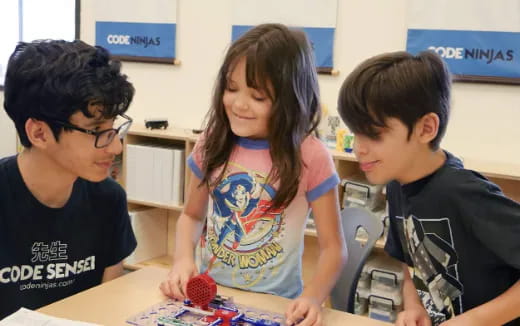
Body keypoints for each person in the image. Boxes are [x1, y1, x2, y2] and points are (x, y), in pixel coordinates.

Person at [160, 23, 347, 326]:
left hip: (276, 306)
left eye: (258, 97)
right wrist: (183, 260)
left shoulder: (311, 155)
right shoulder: (212, 141)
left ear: (291, 99)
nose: (239, 104)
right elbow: (192, 216)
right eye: (231, 89)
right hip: (210, 299)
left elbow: (334, 248)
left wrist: (313, 297)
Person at [337, 50, 520, 326]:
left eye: (373, 134)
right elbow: (408, 262)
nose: (358, 147)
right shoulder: (398, 184)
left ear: (426, 129)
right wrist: (413, 305)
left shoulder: (463, 192)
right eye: (355, 132)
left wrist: (474, 321)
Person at [0, 40, 137, 319]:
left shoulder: (108, 199)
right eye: (97, 131)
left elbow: (107, 308)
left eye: (114, 129)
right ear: (39, 133)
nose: (115, 148)